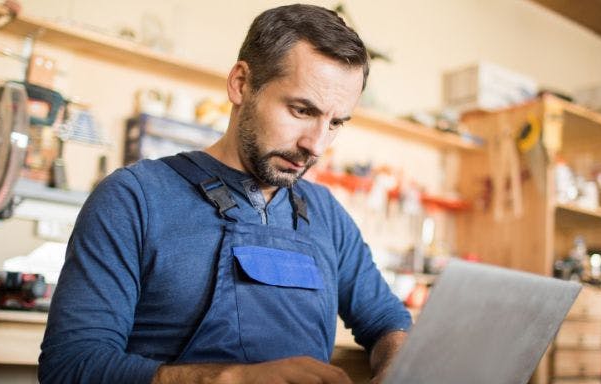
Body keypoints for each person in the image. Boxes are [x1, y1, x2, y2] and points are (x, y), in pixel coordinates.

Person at [39, 4, 411, 384]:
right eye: (301, 110)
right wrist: (230, 379)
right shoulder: (133, 198)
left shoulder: (326, 215)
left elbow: (387, 322)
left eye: (335, 123)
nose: (315, 145)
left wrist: (398, 368)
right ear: (240, 84)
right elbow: (70, 366)